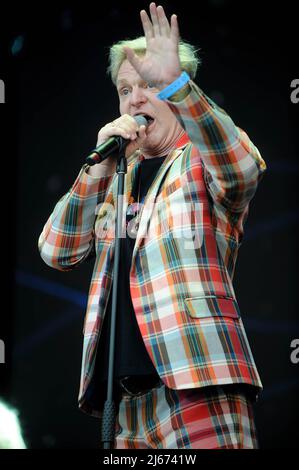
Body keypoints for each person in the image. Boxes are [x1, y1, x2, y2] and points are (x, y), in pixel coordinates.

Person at [38, 3, 266, 449]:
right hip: (125, 404)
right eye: (125, 89)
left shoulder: (200, 161)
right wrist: (98, 167)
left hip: (198, 382)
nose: (135, 99)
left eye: (150, 85)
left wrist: (179, 85)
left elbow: (241, 167)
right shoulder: (115, 177)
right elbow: (55, 250)